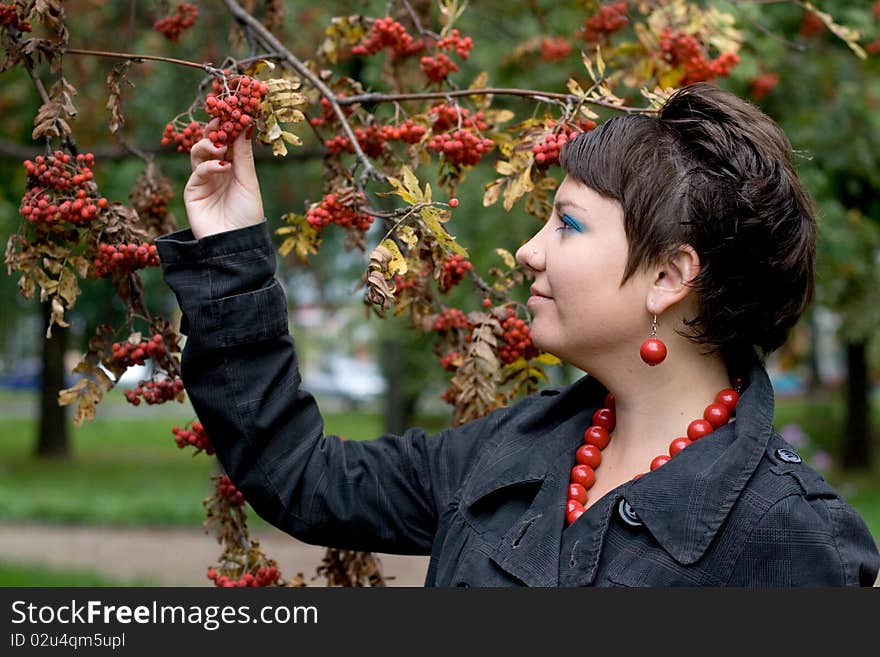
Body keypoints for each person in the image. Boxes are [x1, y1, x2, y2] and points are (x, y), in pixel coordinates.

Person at [155, 82, 880, 586]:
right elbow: (303, 477)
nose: (529, 250)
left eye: (566, 224)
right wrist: (231, 245)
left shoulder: (791, 539)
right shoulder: (513, 449)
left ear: (669, 275)